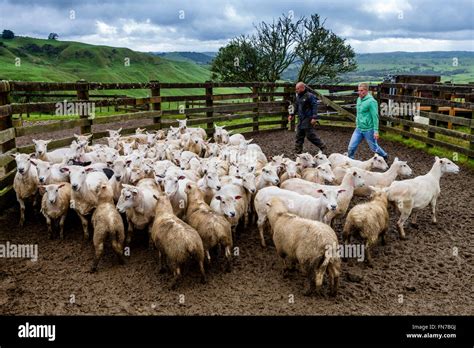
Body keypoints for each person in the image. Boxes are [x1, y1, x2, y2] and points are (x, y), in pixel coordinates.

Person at [347, 82, 388, 161]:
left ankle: (384, 155)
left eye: (361, 90)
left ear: (366, 91)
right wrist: (357, 121)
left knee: (374, 148)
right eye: (358, 90)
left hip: (369, 129)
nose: (359, 92)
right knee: (351, 147)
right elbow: (359, 113)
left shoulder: (372, 102)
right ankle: (350, 161)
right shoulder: (359, 99)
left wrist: (376, 131)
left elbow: (375, 116)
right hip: (359, 128)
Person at [288, 82, 327, 154]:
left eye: (298, 89)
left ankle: (323, 146)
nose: (296, 90)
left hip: (308, 118)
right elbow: (296, 106)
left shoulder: (310, 96)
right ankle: (298, 152)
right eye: (296, 89)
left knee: (310, 135)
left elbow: (314, 106)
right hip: (300, 118)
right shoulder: (298, 96)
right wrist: (292, 114)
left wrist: (314, 117)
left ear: (302, 88)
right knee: (299, 135)